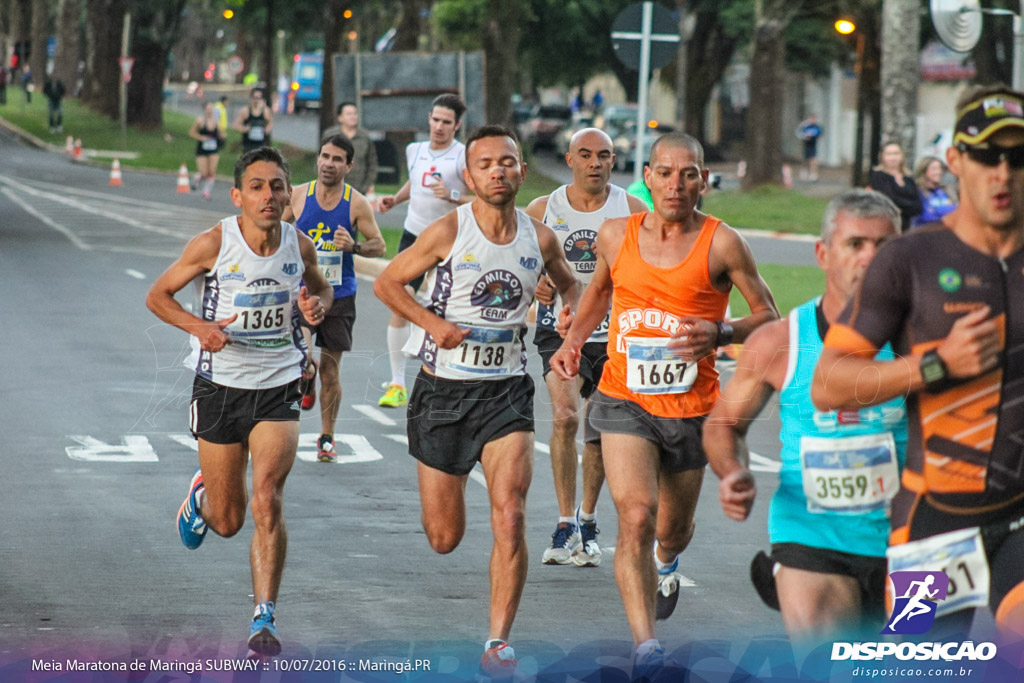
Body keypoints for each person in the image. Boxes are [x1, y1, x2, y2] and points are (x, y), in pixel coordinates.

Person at [549, 132, 778, 677]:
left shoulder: (723, 243)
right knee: (635, 514)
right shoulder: (615, 234)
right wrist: (573, 340)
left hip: (692, 408)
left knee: (671, 529)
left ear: (704, 180)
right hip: (625, 397)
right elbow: (599, 293)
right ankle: (646, 646)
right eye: (666, 173)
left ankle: (667, 561)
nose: (677, 184)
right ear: (646, 178)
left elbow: (767, 313)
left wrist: (721, 332)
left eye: (690, 173)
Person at [813, 84, 1024, 641]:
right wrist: (935, 364)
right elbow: (829, 384)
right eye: (985, 155)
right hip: (934, 518)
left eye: (1018, 157)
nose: (1002, 174)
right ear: (955, 160)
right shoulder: (911, 258)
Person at [373, 125, 581, 679]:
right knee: (445, 538)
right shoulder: (448, 230)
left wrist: (569, 321)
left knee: (510, 513)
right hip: (442, 392)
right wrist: (430, 322)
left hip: (506, 391)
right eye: (485, 163)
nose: (497, 171)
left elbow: (571, 285)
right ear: (469, 176)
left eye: (507, 162)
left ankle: (498, 641)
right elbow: (389, 284)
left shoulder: (539, 238)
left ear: (520, 170)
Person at [145, 147, 333, 656]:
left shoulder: (298, 245)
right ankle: (203, 497)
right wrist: (200, 327)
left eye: (277, 186)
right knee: (228, 521)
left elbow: (323, 292)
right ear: (238, 196)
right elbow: (158, 295)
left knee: (267, 496)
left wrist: (316, 306)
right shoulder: (214, 244)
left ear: (287, 194)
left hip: (277, 385)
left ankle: (264, 616)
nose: (268, 196)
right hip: (220, 387)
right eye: (256, 186)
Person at [703, 189, 905, 643]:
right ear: (823, 253)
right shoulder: (782, 340)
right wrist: (732, 470)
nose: (871, 259)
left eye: (885, 247)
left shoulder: (928, 338)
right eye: (856, 244)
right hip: (811, 538)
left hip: (912, 545)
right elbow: (723, 424)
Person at [527, 128, 648, 567]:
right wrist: (538, 286)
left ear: (614, 162)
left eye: (604, 156)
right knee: (564, 417)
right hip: (557, 331)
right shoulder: (543, 209)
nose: (595, 163)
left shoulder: (632, 210)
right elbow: (522, 266)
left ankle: (589, 519)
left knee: (597, 430)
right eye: (586, 155)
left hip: (612, 335)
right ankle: (563, 523)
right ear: (569, 160)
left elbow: (647, 271)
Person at [284, 134, 386, 462]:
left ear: (349, 166)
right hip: (302, 292)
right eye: (325, 156)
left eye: (337, 159)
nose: (329, 163)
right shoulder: (299, 196)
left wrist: (353, 246)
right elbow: (272, 231)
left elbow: (379, 245)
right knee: (301, 356)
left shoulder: (355, 203)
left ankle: (327, 437)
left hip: (340, 295)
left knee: (330, 371)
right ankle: (306, 370)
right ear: (318, 159)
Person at [375, 94, 472, 408]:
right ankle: (397, 382)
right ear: (428, 119)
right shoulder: (413, 150)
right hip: (414, 237)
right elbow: (415, 183)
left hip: (450, 242)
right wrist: (396, 198)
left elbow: (481, 199)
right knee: (400, 306)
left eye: (447, 122)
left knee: (449, 310)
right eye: (435, 120)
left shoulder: (462, 157)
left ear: (457, 125)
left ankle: (450, 379)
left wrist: (454, 194)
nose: (439, 127)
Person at [323, 102, 378, 196]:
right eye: (349, 114)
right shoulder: (331, 135)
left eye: (355, 113)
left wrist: (367, 185)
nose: (353, 116)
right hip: (333, 188)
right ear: (340, 118)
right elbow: (321, 159)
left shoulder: (364, 137)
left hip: (358, 189)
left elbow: (372, 163)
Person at [867, 140, 922, 232]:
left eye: (896, 153)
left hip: (906, 227)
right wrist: (908, 205)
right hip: (887, 226)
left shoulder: (908, 178)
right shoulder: (878, 176)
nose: (893, 157)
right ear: (882, 157)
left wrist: (902, 207)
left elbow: (918, 206)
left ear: (902, 156)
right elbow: (889, 199)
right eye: (889, 154)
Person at [189, 101, 225, 200]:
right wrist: (200, 137)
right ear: (204, 110)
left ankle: (206, 192)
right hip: (202, 149)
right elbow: (192, 132)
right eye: (208, 108)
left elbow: (221, 134)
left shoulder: (216, 121)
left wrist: (222, 136)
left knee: (212, 171)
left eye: (211, 108)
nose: (209, 110)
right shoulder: (200, 121)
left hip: (213, 149)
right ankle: (197, 178)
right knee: (204, 173)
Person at [912, 155, 956, 228]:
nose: (939, 172)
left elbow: (957, 211)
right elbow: (927, 216)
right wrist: (947, 209)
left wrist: (935, 210)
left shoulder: (946, 190)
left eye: (940, 168)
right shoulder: (918, 192)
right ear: (924, 171)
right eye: (934, 169)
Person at [233, 87, 274, 155]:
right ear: (251, 98)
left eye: (259, 98)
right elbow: (235, 125)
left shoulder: (265, 110)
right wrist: (244, 129)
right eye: (255, 98)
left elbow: (271, 122)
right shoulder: (245, 111)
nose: (256, 100)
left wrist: (266, 130)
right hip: (248, 145)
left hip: (262, 145)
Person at [796, 114, 823, 182]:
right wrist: (805, 137)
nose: (812, 120)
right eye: (811, 119)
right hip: (806, 145)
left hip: (813, 145)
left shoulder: (817, 127)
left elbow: (820, 135)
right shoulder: (805, 126)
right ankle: (804, 173)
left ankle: (813, 174)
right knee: (805, 160)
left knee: (813, 160)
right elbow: (799, 133)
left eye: (814, 119)